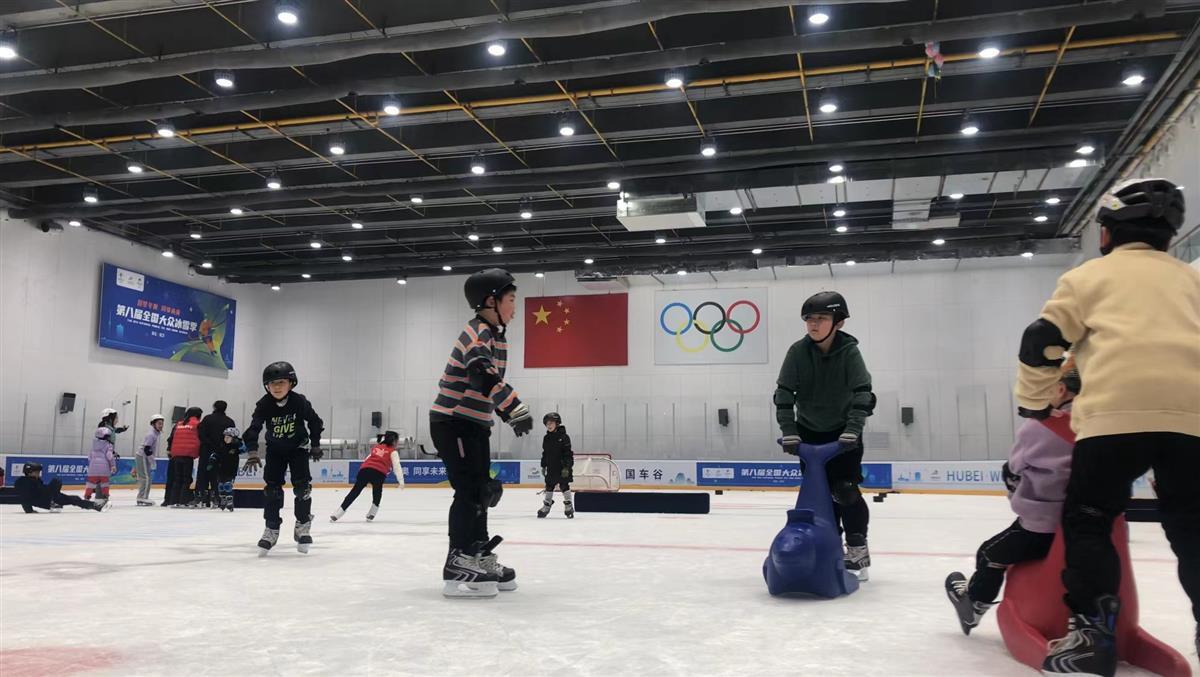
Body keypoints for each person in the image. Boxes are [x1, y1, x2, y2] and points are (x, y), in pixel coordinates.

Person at [1013, 178, 1199, 676]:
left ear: (1107, 231)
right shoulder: (1192, 280)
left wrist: (1033, 403)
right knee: (1193, 528)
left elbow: (1042, 342)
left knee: (1090, 519)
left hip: (1115, 417)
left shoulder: (1088, 278)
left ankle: (1094, 633)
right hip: (1192, 420)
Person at [945, 367, 1081, 634]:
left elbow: (1016, 467)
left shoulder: (1039, 427)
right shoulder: (1096, 423)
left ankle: (972, 606)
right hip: (1084, 525)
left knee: (989, 552)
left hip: (1040, 525)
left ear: (1060, 389)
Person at [430, 268, 532, 598]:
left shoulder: (495, 335)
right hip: (453, 421)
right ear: (491, 301)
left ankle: (477, 553)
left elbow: (487, 388)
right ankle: (458, 559)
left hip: (474, 423)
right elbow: (480, 375)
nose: (515, 307)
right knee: (469, 490)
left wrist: (506, 412)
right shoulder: (478, 332)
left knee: (483, 490)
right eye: (512, 299)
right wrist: (514, 406)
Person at [775, 291, 876, 580]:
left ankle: (857, 548)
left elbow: (862, 394)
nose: (813, 325)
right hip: (808, 436)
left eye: (821, 318)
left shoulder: (849, 353)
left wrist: (853, 430)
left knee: (844, 490)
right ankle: (828, 546)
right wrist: (790, 432)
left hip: (843, 435)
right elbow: (783, 394)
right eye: (809, 319)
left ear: (839, 322)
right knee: (819, 498)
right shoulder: (797, 352)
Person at [242, 361, 325, 556]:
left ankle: (303, 524)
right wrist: (253, 451)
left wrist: (315, 444)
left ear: (291, 383)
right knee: (272, 490)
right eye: (272, 384)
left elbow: (315, 422)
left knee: (302, 488)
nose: (277, 387)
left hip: (298, 448)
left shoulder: (299, 402)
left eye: (281, 382)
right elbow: (254, 428)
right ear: (267, 386)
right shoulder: (264, 404)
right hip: (275, 450)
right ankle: (271, 528)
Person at [331, 430, 404, 522]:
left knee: (354, 492)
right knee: (377, 493)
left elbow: (367, 459)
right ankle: (372, 513)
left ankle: (339, 513)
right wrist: (401, 480)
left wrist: (364, 469)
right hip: (379, 473)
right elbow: (397, 466)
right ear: (394, 441)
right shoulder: (393, 451)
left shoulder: (376, 447)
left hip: (365, 470)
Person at [16, 463, 103, 513]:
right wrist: (29, 510)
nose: (39, 474)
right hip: (42, 500)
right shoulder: (23, 482)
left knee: (75, 499)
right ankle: (53, 502)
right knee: (56, 481)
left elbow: (42, 489)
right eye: (37, 472)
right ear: (30, 472)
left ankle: (95, 506)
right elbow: (25, 497)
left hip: (49, 497)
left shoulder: (36, 480)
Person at [195, 400, 236, 508]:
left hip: (206, 450)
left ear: (214, 407)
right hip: (222, 452)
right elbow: (232, 437)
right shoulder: (229, 421)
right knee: (217, 474)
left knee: (203, 473)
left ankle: (200, 496)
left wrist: (208, 443)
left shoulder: (207, 419)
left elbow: (200, 433)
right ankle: (216, 497)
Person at [537, 412, 574, 519]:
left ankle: (569, 507)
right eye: (547, 423)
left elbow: (568, 454)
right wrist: (543, 465)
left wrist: (567, 467)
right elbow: (545, 453)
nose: (549, 425)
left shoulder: (564, 437)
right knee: (549, 486)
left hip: (562, 467)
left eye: (551, 423)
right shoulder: (546, 438)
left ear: (557, 423)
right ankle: (546, 507)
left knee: (564, 485)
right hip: (551, 466)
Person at [164, 407, 202, 508]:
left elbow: (171, 438)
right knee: (186, 479)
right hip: (187, 455)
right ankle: (183, 500)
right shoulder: (197, 424)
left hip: (176, 454)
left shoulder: (179, 424)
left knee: (177, 478)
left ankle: (173, 501)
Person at [206, 426, 244, 511]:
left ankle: (229, 501)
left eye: (228, 437)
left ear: (233, 438)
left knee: (227, 485)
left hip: (231, 470)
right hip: (221, 469)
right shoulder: (221, 445)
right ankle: (223, 499)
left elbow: (244, 449)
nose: (225, 439)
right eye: (225, 437)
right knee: (220, 486)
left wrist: (238, 442)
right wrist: (211, 462)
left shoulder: (236, 446)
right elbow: (215, 454)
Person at [135, 414, 164, 506]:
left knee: (146, 477)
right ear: (153, 424)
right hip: (143, 456)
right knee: (146, 478)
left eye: (162, 424)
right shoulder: (151, 434)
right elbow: (147, 449)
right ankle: (143, 497)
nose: (161, 425)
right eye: (159, 423)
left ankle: (142, 497)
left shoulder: (155, 433)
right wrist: (152, 461)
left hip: (144, 456)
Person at [85, 425, 116, 508]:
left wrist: (92, 464)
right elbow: (109, 456)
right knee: (105, 484)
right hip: (104, 468)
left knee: (90, 484)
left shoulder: (93, 445)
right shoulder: (108, 445)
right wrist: (113, 465)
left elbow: (89, 457)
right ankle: (105, 498)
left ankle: (86, 498)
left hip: (92, 469)